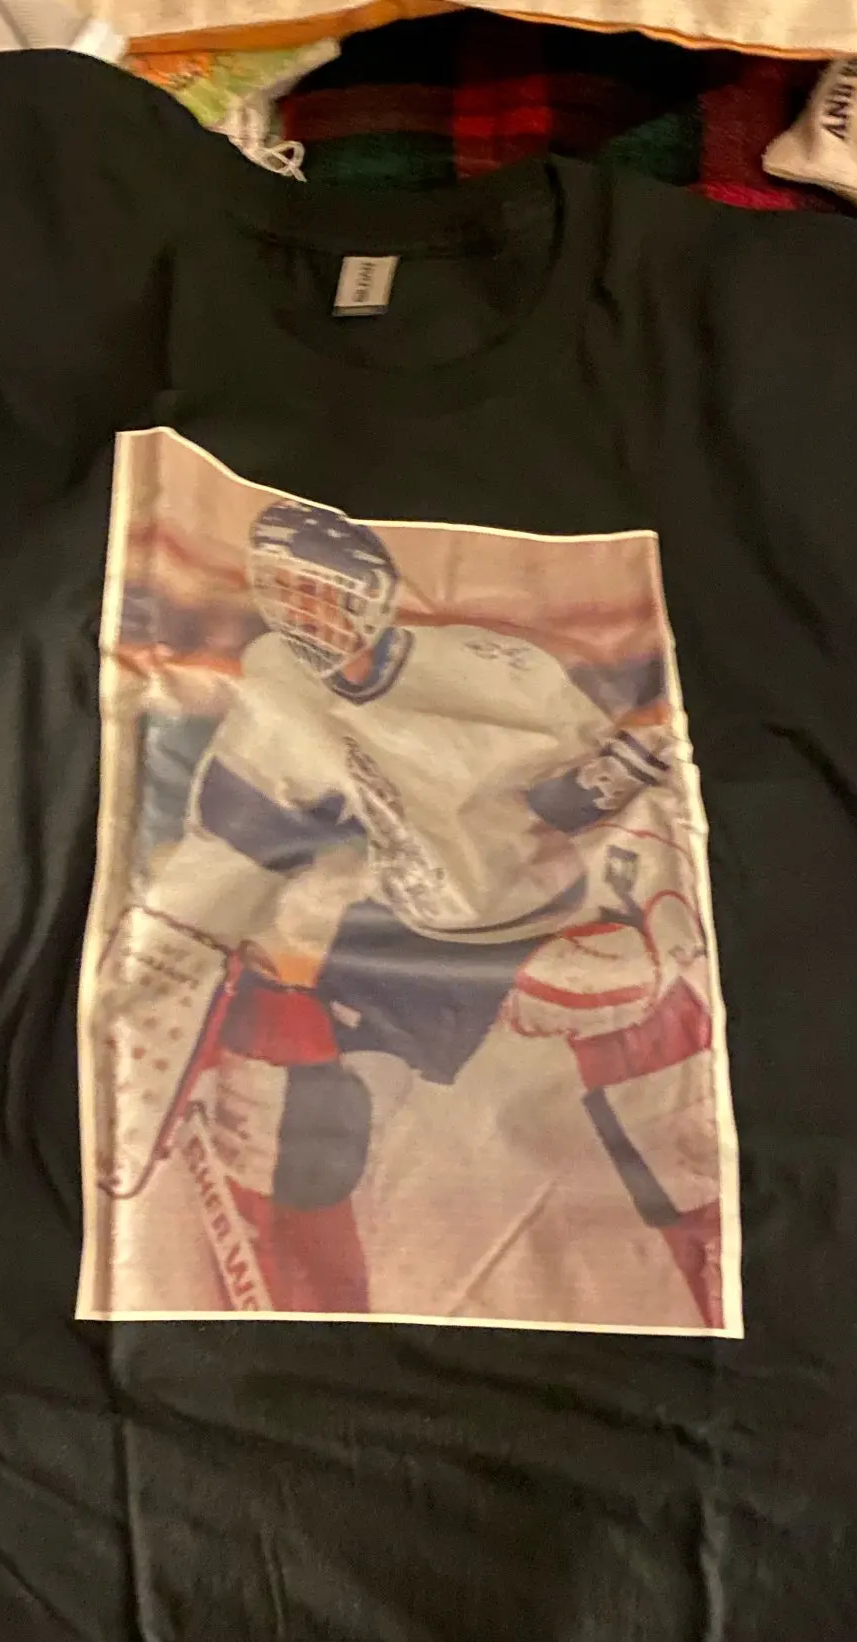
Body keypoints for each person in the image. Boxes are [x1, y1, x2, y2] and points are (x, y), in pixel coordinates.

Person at [96, 498, 722, 1323]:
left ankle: (717, 1273)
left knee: (655, 1055)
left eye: (322, 590)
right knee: (276, 1087)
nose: (306, 613)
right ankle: (300, 1325)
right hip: (405, 914)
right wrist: (168, 959)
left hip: (548, 917)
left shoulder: (501, 670)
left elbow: (623, 790)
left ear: (377, 596)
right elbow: (242, 844)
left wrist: (653, 909)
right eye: (289, 592)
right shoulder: (279, 681)